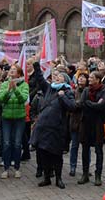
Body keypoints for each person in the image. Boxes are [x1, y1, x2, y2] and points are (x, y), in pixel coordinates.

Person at [30, 60, 75, 189]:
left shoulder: (67, 92)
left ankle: (59, 178)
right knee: (43, 153)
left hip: (57, 129)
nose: (56, 77)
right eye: (55, 76)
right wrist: (36, 65)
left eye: (59, 76)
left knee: (56, 155)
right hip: (43, 127)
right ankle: (46, 177)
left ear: (65, 80)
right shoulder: (49, 88)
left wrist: (62, 97)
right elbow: (40, 79)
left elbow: (72, 107)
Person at [0, 63, 29, 179]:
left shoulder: (24, 85)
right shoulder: (5, 84)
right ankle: (6, 168)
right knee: (6, 143)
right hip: (7, 118)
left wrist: (15, 89)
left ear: (19, 73)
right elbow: (0, 99)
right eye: (11, 69)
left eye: (14, 69)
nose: (11, 71)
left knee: (17, 143)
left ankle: (17, 168)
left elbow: (23, 99)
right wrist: (8, 90)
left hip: (19, 118)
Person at [77, 71, 105, 186]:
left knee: (98, 150)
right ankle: (85, 174)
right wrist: (92, 104)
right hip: (86, 123)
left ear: (98, 79)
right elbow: (82, 103)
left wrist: (88, 103)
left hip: (98, 125)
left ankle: (98, 175)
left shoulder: (104, 91)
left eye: (91, 77)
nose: (89, 79)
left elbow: (100, 105)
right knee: (85, 149)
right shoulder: (86, 90)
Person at [69, 72, 87, 176]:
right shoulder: (73, 92)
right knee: (74, 145)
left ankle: (86, 167)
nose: (80, 79)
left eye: (83, 78)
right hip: (75, 121)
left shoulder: (89, 91)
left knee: (86, 146)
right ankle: (72, 166)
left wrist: (79, 104)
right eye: (79, 77)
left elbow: (85, 104)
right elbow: (72, 105)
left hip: (85, 122)